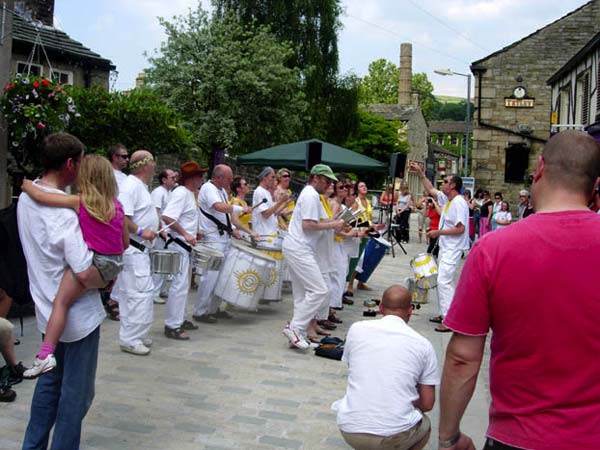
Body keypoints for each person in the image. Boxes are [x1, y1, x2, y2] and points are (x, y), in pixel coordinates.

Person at [438, 130, 600, 450]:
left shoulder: (493, 250)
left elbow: (462, 358)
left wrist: (449, 436)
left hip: (519, 436)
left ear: (539, 168)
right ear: (595, 186)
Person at [18, 133, 108, 449]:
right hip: (79, 318)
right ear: (70, 163)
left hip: (46, 312)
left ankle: (33, 446)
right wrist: (108, 278)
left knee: (48, 388)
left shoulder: (28, 199)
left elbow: (32, 189)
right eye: (80, 162)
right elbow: (83, 271)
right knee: (76, 396)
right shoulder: (63, 215)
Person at [21, 154, 128, 376]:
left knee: (60, 302)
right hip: (115, 262)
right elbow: (124, 242)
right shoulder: (117, 206)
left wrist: (26, 185)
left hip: (95, 262)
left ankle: (45, 355)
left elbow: (43, 197)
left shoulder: (81, 202)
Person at [332, 285, 438, 450]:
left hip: (350, 427)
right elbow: (427, 403)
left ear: (380, 307)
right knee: (425, 426)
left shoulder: (356, 329)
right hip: (393, 434)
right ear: (410, 310)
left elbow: (356, 369)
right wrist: (405, 396)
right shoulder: (423, 345)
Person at [282, 164, 345, 350]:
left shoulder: (312, 195)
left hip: (299, 247)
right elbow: (308, 225)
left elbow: (321, 221)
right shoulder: (310, 194)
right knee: (320, 290)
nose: (329, 185)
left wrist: (337, 223)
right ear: (315, 178)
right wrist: (334, 225)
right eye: (327, 181)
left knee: (302, 294)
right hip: (299, 247)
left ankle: (297, 333)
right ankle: (295, 327)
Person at [409, 162, 469, 332]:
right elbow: (431, 190)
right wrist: (421, 173)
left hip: (453, 248)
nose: (442, 184)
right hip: (446, 247)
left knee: (444, 282)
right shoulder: (449, 200)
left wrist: (438, 232)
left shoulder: (459, 203)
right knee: (441, 280)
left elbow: (461, 228)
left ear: (453, 185)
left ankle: (450, 318)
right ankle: (445, 314)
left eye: (445, 181)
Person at [192, 164, 256, 324]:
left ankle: (214, 308)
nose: (230, 181)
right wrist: (240, 209)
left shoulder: (220, 190)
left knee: (221, 276)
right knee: (210, 277)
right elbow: (218, 207)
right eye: (228, 178)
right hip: (213, 240)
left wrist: (233, 228)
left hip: (223, 238)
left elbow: (224, 216)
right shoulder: (208, 188)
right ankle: (200, 311)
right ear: (219, 177)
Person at [112, 151, 159, 355]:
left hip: (141, 249)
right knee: (136, 293)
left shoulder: (140, 187)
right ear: (145, 165)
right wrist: (141, 231)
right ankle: (130, 338)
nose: (155, 166)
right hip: (133, 248)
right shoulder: (130, 187)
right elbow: (122, 217)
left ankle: (137, 333)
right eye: (153, 162)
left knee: (142, 293)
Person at [161, 162, 208, 339]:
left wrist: (193, 232)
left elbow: (181, 218)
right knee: (178, 286)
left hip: (184, 245)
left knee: (183, 285)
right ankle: (172, 325)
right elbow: (167, 216)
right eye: (199, 176)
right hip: (179, 245)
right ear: (192, 178)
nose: (201, 179)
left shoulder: (188, 194)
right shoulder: (181, 193)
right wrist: (185, 234)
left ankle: (180, 318)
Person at [151, 169, 178, 304]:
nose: (175, 179)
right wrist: (161, 230)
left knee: (166, 263)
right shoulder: (158, 192)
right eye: (172, 177)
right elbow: (155, 212)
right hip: (161, 233)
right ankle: (154, 292)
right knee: (159, 263)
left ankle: (162, 289)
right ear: (164, 179)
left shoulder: (170, 193)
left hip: (167, 233)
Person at [251, 167, 290, 239]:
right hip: (263, 235)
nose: (274, 180)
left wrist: (285, 204)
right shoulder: (259, 191)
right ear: (264, 177)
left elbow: (274, 213)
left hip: (270, 234)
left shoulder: (267, 192)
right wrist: (281, 201)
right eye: (272, 177)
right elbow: (266, 214)